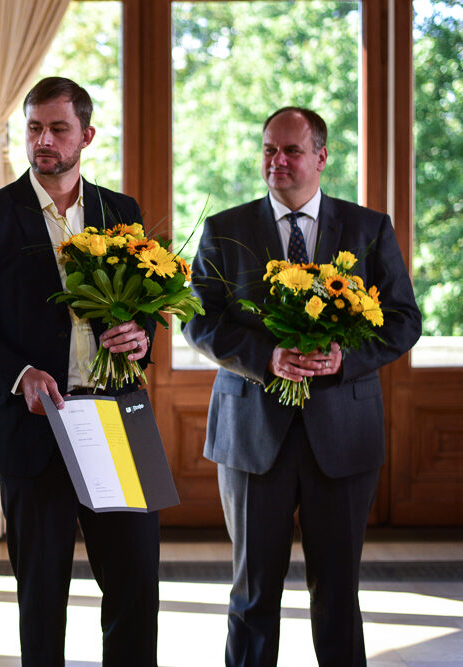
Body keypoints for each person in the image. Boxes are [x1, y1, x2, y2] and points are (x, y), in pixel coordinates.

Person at [184, 107, 422, 667]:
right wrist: (266, 357)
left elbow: (404, 319)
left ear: (320, 156)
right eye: (269, 149)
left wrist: (344, 358)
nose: (278, 161)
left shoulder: (369, 228)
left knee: (338, 594)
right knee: (252, 594)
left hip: (343, 436)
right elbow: (198, 318)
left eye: (291, 151)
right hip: (250, 435)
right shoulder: (227, 228)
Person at [0, 77, 160, 667]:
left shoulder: (123, 212)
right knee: (41, 595)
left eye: (58, 129)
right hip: (32, 427)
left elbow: (146, 311)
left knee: (137, 583)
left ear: (86, 135)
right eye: (34, 128)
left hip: (116, 420)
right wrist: (19, 375)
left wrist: (141, 338)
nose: (44, 140)